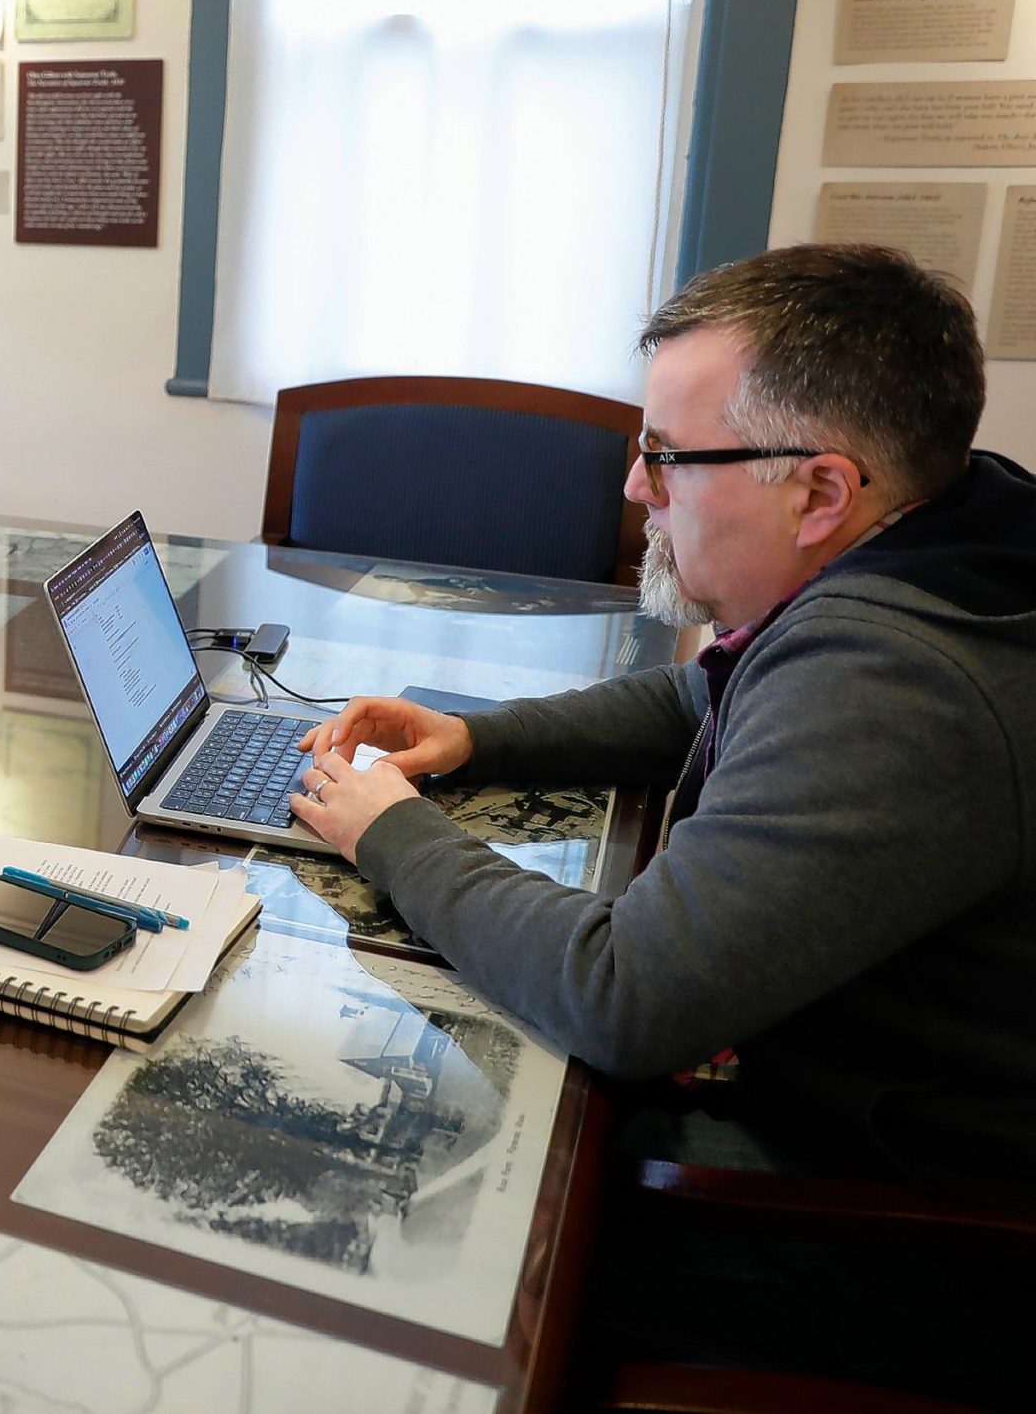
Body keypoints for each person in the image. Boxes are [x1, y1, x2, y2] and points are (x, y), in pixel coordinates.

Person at [286, 243, 1034, 1400]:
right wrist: (483, 738)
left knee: (379, 1234)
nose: (634, 488)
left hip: (914, 1235)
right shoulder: (953, 531)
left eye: (667, 457)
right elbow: (712, 688)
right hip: (883, 1111)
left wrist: (388, 828)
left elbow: (621, 995)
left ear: (820, 490)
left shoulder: (901, 681)